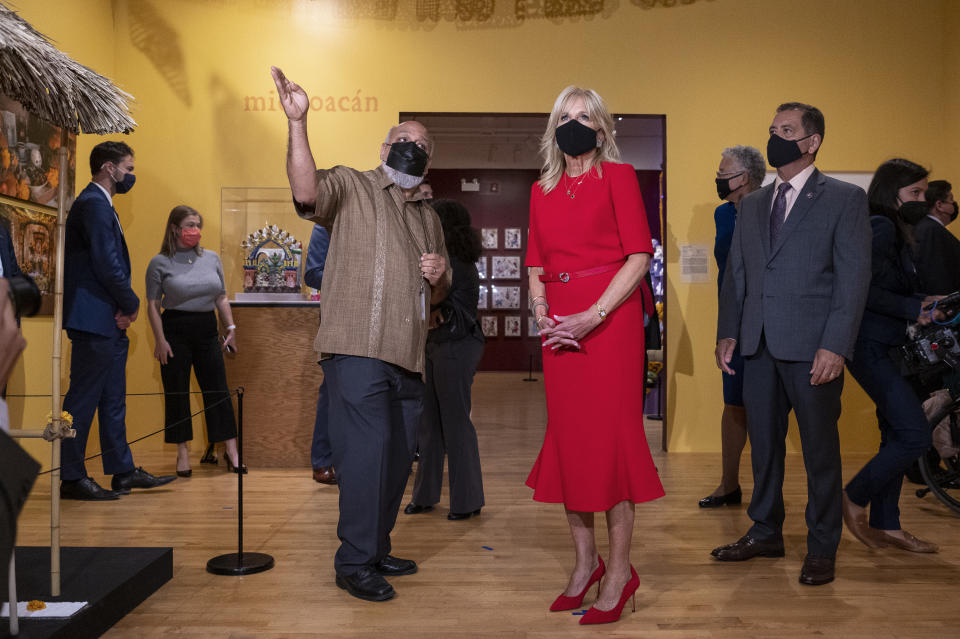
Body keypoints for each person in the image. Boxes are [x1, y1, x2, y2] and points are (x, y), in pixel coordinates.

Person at [271, 66, 450, 603]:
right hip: (357, 351)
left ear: (429, 160)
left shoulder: (429, 216)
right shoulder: (352, 185)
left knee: (396, 462)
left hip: (409, 357)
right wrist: (299, 123)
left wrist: (440, 278)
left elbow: (438, 298)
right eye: (403, 141)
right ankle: (352, 562)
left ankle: (375, 547)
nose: (411, 149)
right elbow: (306, 189)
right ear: (384, 147)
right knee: (368, 455)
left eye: (421, 145)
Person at [714, 103, 871, 586]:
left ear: (812, 140)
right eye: (772, 130)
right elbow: (737, 274)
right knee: (764, 447)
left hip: (813, 350)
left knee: (820, 453)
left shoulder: (843, 199)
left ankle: (823, 546)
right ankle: (765, 531)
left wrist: (836, 346)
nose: (775, 137)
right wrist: (728, 331)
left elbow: (853, 279)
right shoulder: (755, 202)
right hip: (758, 346)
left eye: (787, 130)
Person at [525, 86, 664, 626]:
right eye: (564, 116)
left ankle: (619, 572)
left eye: (584, 117)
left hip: (609, 322)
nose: (573, 125)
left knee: (610, 446)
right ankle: (585, 565)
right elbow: (536, 261)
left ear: (603, 129)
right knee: (570, 444)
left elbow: (638, 254)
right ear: (552, 127)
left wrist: (593, 315)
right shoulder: (541, 190)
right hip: (558, 324)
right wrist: (543, 314)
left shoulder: (620, 177)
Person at [60, 141, 176, 501]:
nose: (131, 176)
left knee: (112, 400)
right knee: (82, 401)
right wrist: (131, 302)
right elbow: (106, 263)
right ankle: (71, 476)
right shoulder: (93, 204)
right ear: (108, 168)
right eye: (128, 168)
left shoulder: (101, 205)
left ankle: (122, 471)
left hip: (105, 319)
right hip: (94, 318)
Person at [841, 159, 939, 554]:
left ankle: (888, 525)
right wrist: (913, 308)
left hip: (886, 345)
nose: (921, 200)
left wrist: (923, 301)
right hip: (871, 346)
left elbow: (888, 287)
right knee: (915, 434)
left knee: (896, 435)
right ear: (891, 193)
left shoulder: (897, 229)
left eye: (923, 193)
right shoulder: (881, 227)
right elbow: (863, 290)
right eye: (914, 193)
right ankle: (852, 499)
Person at [145, 205, 244, 478]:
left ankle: (232, 451)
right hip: (174, 329)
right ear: (175, 228)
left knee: (218, 391)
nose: (195, 231)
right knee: (177, 393)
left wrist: (231, 327)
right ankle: (182, 453)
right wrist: (160, 340)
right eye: (190, 225)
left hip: (207, 328)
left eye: (198, 225)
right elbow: (152, 305)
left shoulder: (211, 258)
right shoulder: (159, 262)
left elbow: (220, 296)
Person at [405, 199, 485, 520]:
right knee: (430, 425)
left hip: (455, 345)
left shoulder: (455, 263)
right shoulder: (453, 260)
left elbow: (440, 303)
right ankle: (426, 496)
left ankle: (467, 501)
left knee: (454, 422)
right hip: (441, 345)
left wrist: (433, 313)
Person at [700, 145, 765, 509]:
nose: (720, 179)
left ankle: (763, 495)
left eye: (725, 174)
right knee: (733, 403)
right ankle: (728, 485)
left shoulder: (772, 207)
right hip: (732, 322)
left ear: (747, 176)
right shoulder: (723, 215)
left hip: (766, 322)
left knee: (763, 407)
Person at [303, 224, 336, 485]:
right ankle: (322, 460)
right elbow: (313, 273)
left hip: (377, 320)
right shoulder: (325, 225)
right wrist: (355, 274)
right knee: (333, 390)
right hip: (339, 321)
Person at [912, 180, 960, 295]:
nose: (954, 203)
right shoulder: (931, 230)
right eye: (951, 199)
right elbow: (934, 274)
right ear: (939, 205)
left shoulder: (929, 228)